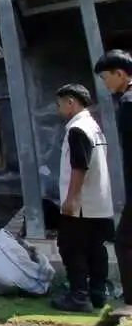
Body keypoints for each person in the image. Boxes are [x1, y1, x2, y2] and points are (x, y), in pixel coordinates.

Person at [51, 84, 114, 312]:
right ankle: (97, 293)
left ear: (71, 102)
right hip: (98, 202)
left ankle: (78, 296)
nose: (59, 109)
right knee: (96, 248)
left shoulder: (77, 129)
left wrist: (71, 199)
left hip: (81, 205)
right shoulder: (94, 126)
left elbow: (80, 166)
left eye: (60, 104)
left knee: (71, 247)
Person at [94, 49, 132, 315]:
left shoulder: (128, 102)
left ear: (119, 74)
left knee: (124, 241)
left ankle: (130, 303)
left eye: (105, 77)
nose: (105, 84)